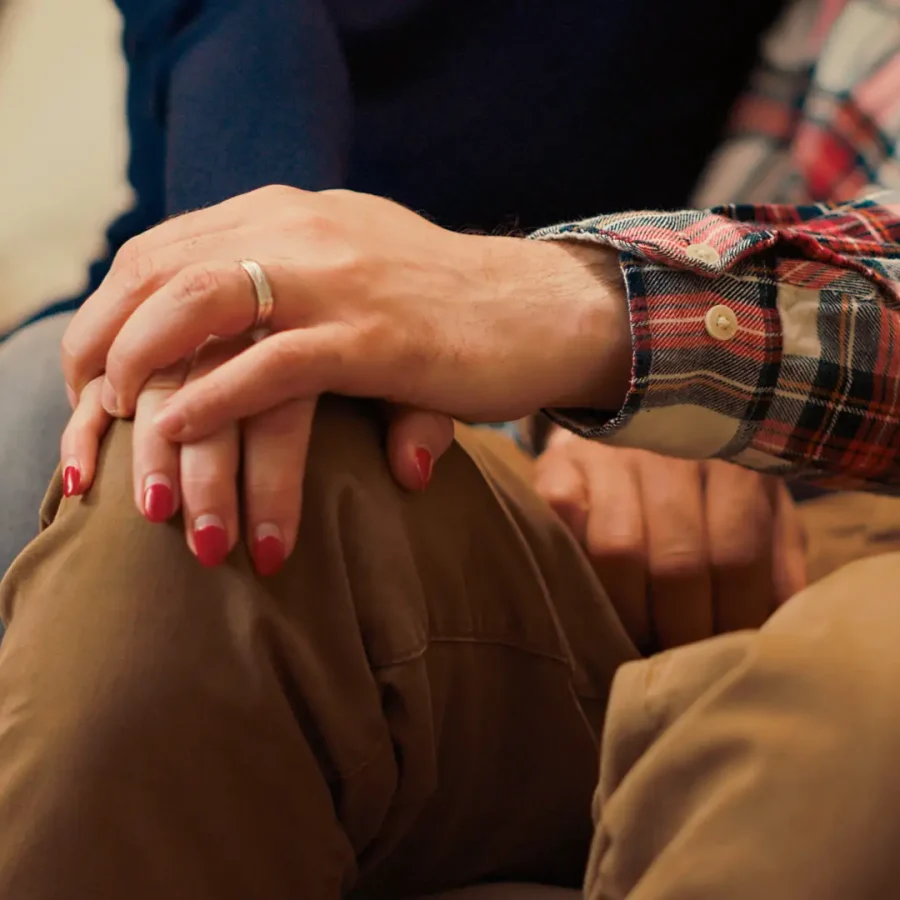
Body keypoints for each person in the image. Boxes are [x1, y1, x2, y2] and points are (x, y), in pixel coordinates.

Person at [2, 3, 900, 900]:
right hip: (593, 413)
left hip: (748, 450)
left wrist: (637, 344)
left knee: (856, 721)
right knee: (191, 503)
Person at [0, 0, 788, 576]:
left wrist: (666, 361)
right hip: (193, 284)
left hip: (552, 365)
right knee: (50, 408)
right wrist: (258, 291)